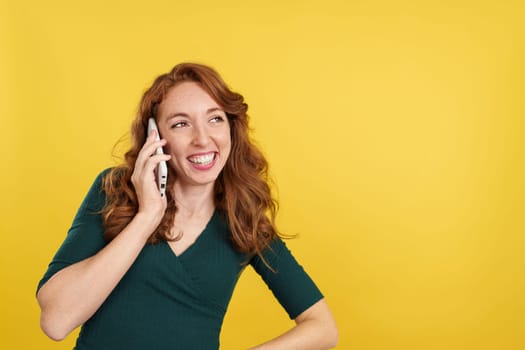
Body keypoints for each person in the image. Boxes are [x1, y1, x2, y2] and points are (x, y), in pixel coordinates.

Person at [36, 62, 338, 349]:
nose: (202, 139)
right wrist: (147, 216)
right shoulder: (116, 190)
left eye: (215, 118)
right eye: (181, 124)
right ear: (156, 137)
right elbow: (56, 321)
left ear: (231, 128)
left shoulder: (243, 220)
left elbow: (322, 328)